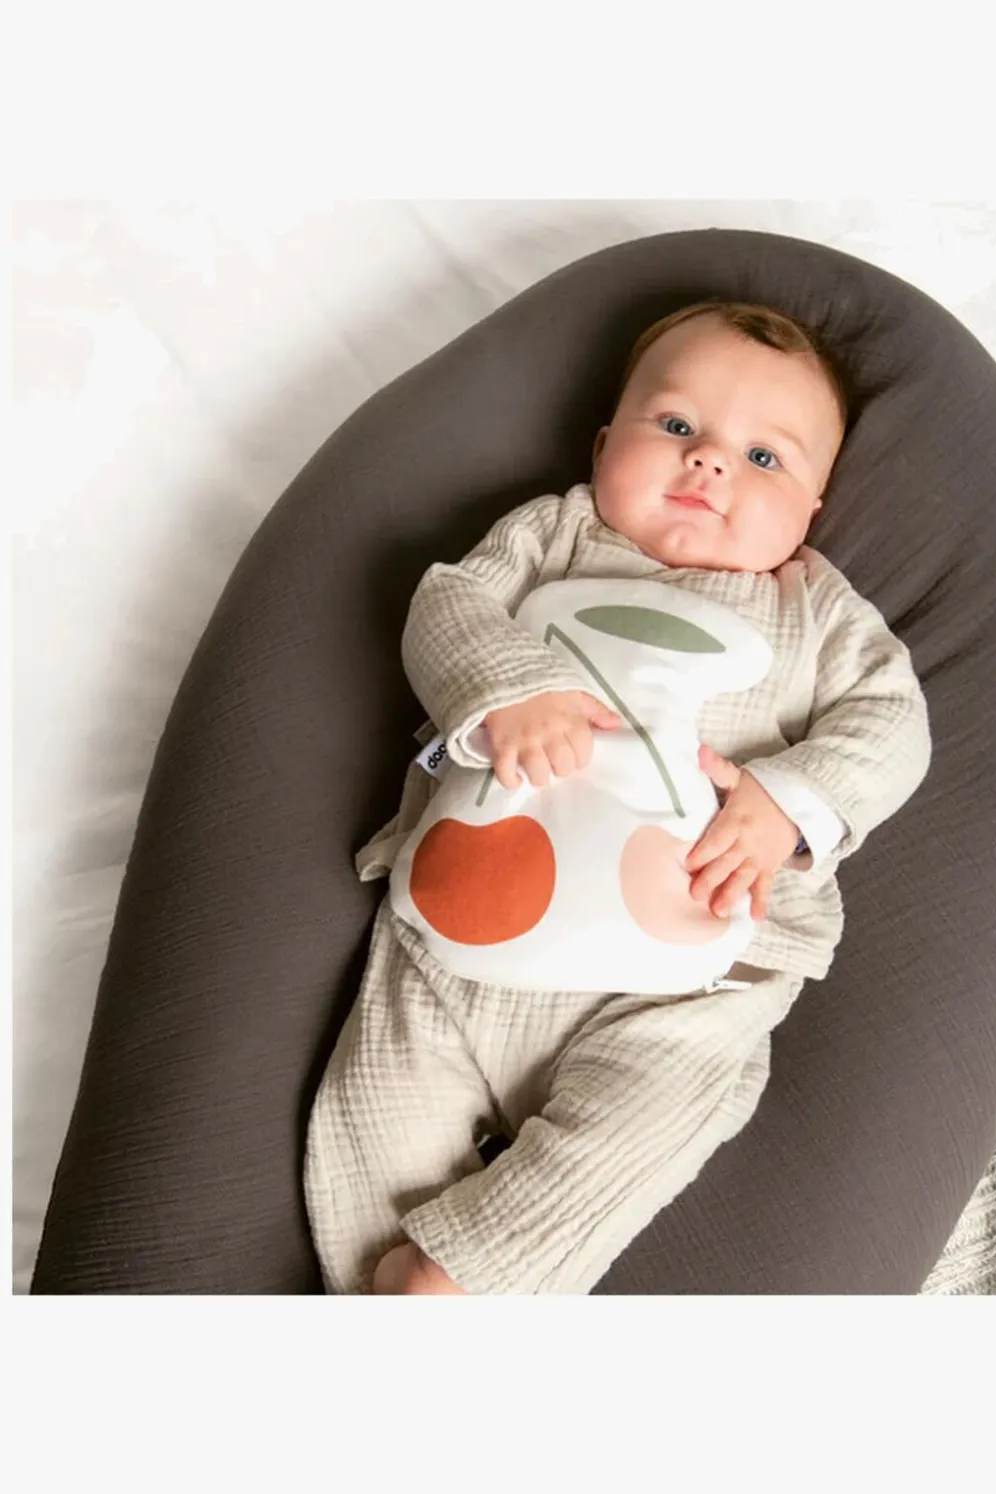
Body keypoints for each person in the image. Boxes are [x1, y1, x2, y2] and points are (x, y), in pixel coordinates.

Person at [304, 300, 932, 1295]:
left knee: (647, 1117)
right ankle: (371, 1288)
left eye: (763, 457)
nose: (709, 462)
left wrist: (784, 804)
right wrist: (510, 689)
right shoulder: (554, 535)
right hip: (460, 944)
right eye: (676, 426)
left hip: (679, 982)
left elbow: (892, 722)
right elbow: (448, 603)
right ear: (604, 446)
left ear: (812, 508)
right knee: (377, 1101)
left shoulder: (816, 609)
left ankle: (460, 1281)